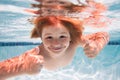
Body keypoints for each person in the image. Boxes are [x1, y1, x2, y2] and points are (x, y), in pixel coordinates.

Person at [0, 16, 109, 79]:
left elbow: (104, 34)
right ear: (41, 38)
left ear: (70, 36)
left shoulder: (75, 41)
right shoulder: (34, 55)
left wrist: (97, 45)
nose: (56, 43)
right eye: (49, 37)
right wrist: (23, 67)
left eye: (62, 36)